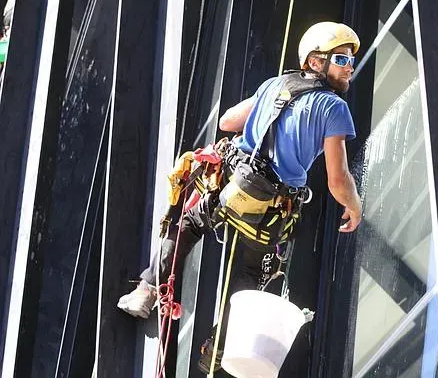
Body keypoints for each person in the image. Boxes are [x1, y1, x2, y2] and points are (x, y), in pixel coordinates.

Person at [117, 21, 362, 373]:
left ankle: (146, 290)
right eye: (341, 59)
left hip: (231, 182)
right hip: (268, 206)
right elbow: (338, 180)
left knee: (186, 225)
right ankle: (214, 356)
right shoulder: (333, 108)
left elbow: (228, 121)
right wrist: (353, 206)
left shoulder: (276, 85)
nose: (349, 67)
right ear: (314, 62)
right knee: (247, 278)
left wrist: (267, 116)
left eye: (351, 60)